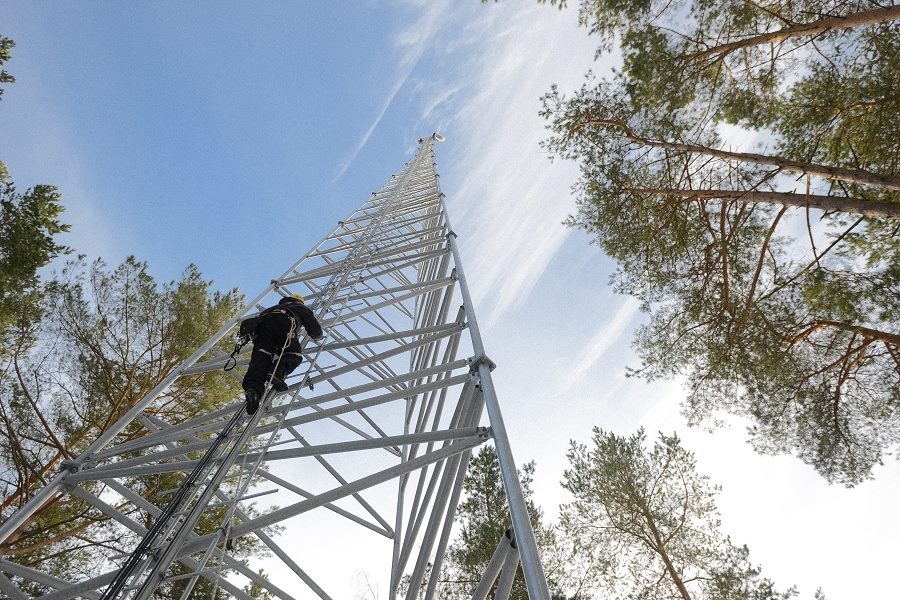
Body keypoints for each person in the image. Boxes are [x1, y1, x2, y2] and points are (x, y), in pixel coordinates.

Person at [242, 294, 323, 414]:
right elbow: (315, 331)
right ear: (300, 302)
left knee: (261, 357)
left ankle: (253, 390)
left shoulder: (272, 308)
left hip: (263, 327)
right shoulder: (299, 307)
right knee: (293, 354)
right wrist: (318, 337)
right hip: (284, 323)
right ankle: (276, 373)